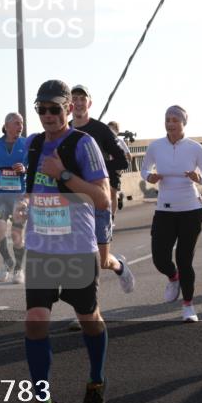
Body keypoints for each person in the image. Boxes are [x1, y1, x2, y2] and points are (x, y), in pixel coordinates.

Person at [13, 79, 112, 403]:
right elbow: (34, 188)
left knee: (89, 319)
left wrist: (64, 174)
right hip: (42, 247)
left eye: (55, 109)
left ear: (69, 108)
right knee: (35, 321)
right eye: (41, 109)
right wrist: (24, 204)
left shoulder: (84, 144)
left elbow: (102, 199)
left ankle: (96, 382)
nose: (48, 115)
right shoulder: (32, 144)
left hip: (77, 248)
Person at [140, 105, 202, 322]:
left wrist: (199, 178)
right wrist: (149, 177)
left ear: (184, 123)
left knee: (185, 259)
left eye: (175, 120)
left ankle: (188, 306)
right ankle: (173, 278)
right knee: (159, 258)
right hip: (164, 210)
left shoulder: (195, 148)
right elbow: (144, 169)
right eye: (167, 119)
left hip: (191, 210)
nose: (170, 124)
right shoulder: (156, 146)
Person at [69, 85, 134, 295]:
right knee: (80, 257)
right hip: (74, 202)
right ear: (69, 104)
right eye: (74, 98)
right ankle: (86, 306)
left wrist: (96, 170)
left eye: (82, 99)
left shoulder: (101, 130)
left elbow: (123, 161)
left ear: (89, 103)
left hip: (98, 200)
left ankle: (119, 267)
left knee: (103, 261)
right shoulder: (64, 130)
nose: (78, 103)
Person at [0, 113, 29, 283]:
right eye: (17, 123)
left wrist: (24, 169)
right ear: (7, 125)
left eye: (21, 123)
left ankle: (18, 269)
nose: (20, 126)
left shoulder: (26, 144)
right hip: (1, 196)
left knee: (17, 235)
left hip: (20, 196)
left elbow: (35, 165)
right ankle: (7, 261)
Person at [106, 121, 133, 211]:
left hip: (116, 169)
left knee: (113, 191)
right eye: (108, 129)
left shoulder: (120, 141)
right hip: (106, 168)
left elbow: (129, 157)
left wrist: (121, 167)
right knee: (107, 190)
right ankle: (119, 196)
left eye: (111, 129)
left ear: (117, 131)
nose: (109, 131)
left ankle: (112, 215)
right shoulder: (104, 141)